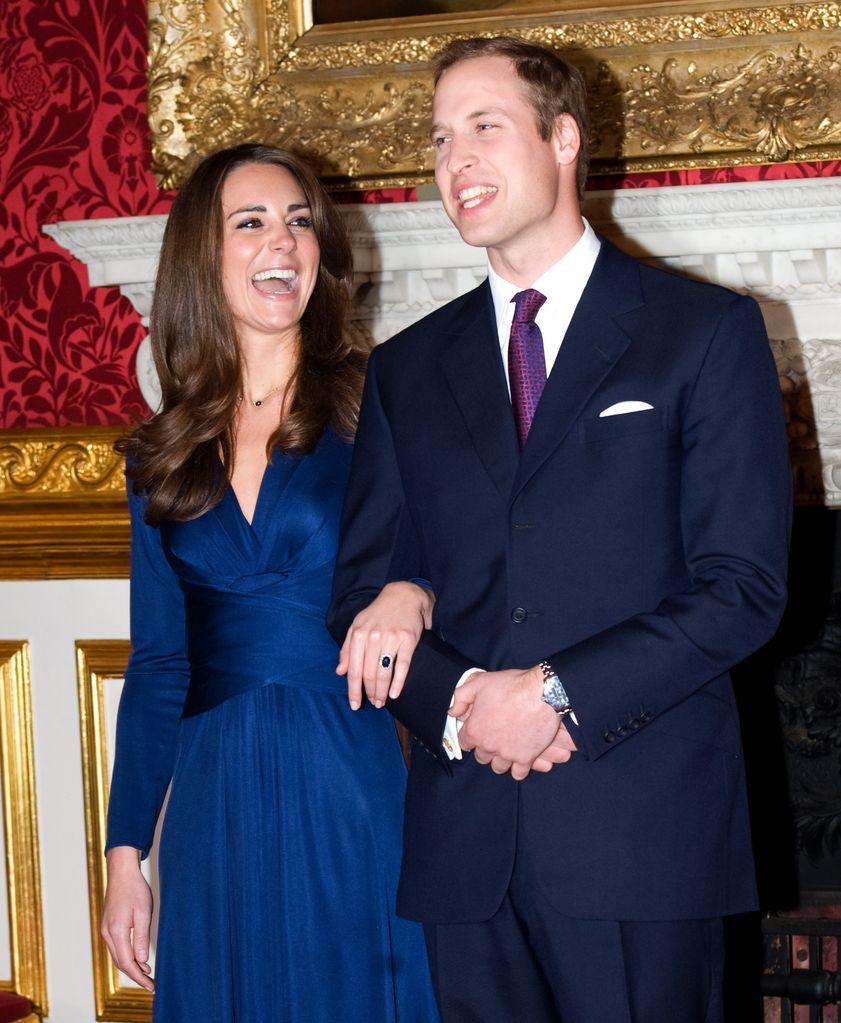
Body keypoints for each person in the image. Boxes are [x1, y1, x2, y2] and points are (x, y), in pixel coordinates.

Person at [329, 37, 792, 1023]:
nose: (454, 161)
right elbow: (363, 596)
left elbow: (740, 587)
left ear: (564, 137)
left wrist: (554, 696)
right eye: (440, 138)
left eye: (483, 128)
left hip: (642, 842)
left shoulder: (703, 333)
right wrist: (460, 705)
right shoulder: (406, 370)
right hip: (468, 855)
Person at [101, 143, 440, 1023]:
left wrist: (415, 591)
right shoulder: (159, 455)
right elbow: (160, 661)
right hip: (213, 801)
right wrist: (123, 853)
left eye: (297, 221)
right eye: (249, 223)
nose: (280, 242)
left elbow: (464, 561)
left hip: (350, 769)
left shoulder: (382, 404)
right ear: (200, 259)